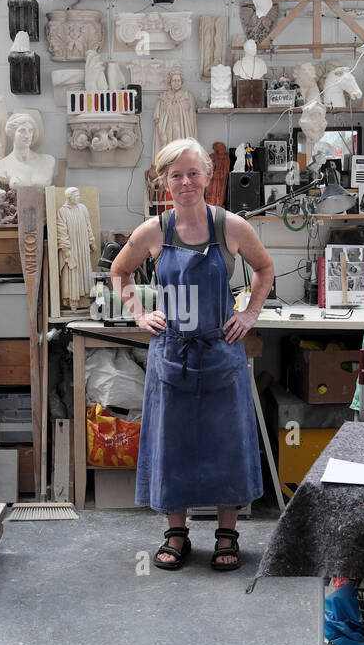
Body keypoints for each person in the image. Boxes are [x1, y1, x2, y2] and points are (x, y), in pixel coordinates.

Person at [111, 138, 275, 571]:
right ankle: (176, 534)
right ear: (164, 181)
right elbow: (119, 271)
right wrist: (140, 315)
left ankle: (227, 535)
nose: (185, 182)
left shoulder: (231, 227)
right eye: (176, 175)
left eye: (193, 173)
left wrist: (249, 313)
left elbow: (265, 268)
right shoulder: (152, 231)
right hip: (172, 355)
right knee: (173, 445)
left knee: (227, 444)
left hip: (222, 354)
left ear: (208, 177)